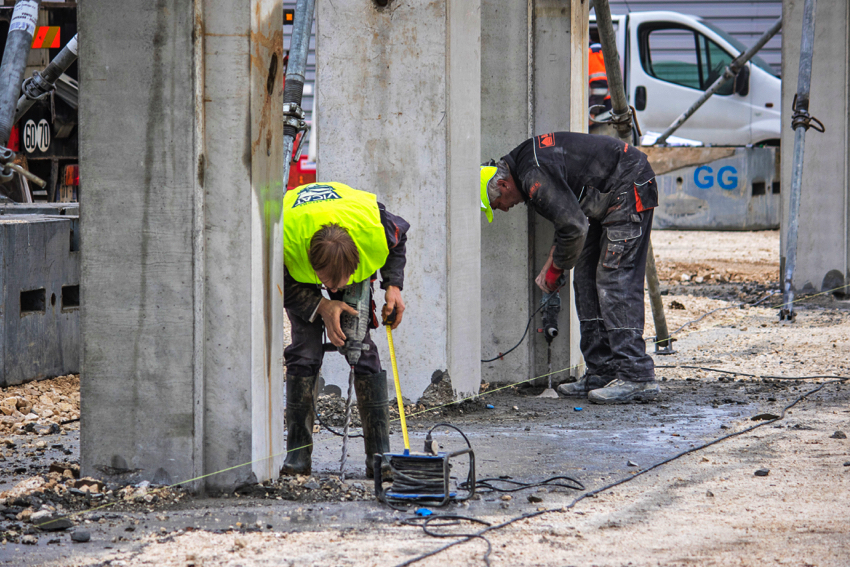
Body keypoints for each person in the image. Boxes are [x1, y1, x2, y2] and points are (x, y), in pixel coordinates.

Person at [480, 132, 659, 404]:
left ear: (503, 184)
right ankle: (602, 370)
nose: (503, 209)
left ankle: (637, 375)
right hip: (605, 196)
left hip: (627, 186)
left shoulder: (532, 176)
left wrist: (555, 269)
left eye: (497, 204)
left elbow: (573, 227)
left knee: (615, 279)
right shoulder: (526, 166)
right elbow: (568, 217)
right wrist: (558, 262)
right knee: (584, 277)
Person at [282, 181, 409, 477]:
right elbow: (275, 283)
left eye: (341, 282)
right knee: (304, 351)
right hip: (298, 258)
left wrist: (393, 285)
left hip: (350, 235)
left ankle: (379, 459)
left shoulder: (374, 231)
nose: (335, 289)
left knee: (360, 347)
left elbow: (399, 239)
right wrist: (322, 306)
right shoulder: (283, 240)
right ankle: (298, 457)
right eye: (329, 283)